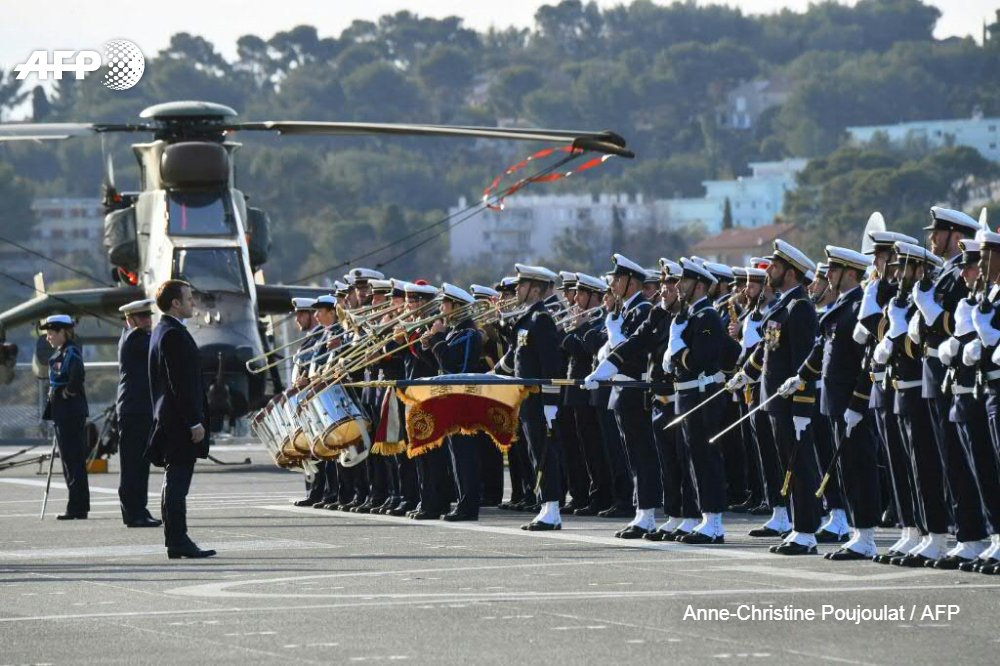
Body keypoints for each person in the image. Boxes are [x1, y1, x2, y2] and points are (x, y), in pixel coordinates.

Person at [146, 280, 215, 559]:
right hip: (178, 423)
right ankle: (177, 539)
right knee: (177, 482)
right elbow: (179, 384)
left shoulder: (162, 330)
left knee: (174, 481)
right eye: (188, 298)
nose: (193, 303)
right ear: (175, 303)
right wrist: (193, 421)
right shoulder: (173, 334)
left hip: (170, 419)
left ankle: (175, 539)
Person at [116, 299, 161, 528]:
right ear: (130, 319)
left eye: (148, 316)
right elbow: (159, 349)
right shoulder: (135, 339)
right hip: (134, 409)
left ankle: (138, 510)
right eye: (141, 317)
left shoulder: (136, 337)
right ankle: (134, 512)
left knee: (140, 463)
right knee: (134, 464)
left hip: (138, 408)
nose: (147, 321)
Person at [41, 314, 90, 520]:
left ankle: (77, 507)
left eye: (51, 333)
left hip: (69, 411)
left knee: (73, 460)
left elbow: (77, 375)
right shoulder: (62, 352)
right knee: (70, 460)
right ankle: (78, 505)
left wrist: (67, 393)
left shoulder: (70, 352)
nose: (48, 337)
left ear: (63, 332)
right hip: (63, 412)